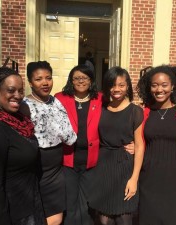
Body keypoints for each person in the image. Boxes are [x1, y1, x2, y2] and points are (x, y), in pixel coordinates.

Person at [55, 65, 135, 225]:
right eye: (77, 78)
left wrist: (131, 141)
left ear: (91, 80)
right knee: (70, 204)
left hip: (93, 162)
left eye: (85, 78)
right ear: (71, 80)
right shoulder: (61, 98)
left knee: (89, 205)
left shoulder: (100, 98)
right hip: (68, 160)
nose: (81, 81)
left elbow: (117, 115)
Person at [0, 67, 46, 225]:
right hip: (7, 213)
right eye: (11, 90)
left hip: (26, 202)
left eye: (21, 91)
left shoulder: (18, 119)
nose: (18, 96)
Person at [20, 61, 77, 225]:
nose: (45, 83)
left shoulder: (56, 101)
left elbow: (70, 136)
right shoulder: (24, 106)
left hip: (55, 171)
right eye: (38, 79)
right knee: (35, 218)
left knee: (55, 219)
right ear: (30, 82)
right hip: (34, 169)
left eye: (48, 78)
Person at [88, 66, 145, 225]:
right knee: (104, 219)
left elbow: (139, 146)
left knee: (124, 218)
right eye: (112, 85)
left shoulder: (135, 111)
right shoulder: (102, 108)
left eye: (121, 85)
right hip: (103, 167)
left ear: (127, 86)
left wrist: (134, 178)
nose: (116, 89)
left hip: (124, 167)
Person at [136, 65, 176, 225]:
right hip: (149, 180)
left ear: (173, 86)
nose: (159, 89)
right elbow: (139, 141)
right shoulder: (144, 112)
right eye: (154, 85)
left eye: (164, 85)